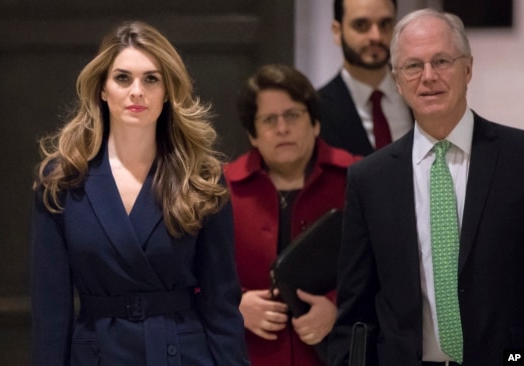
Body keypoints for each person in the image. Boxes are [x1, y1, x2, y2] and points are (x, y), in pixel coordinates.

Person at [30, 21, 250, 366]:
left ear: (167, 91)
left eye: (151, 78)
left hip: (182, 352)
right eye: (122, 78)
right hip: (97, 353)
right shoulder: (62, 180)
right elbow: (50, 309)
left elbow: (221, 303)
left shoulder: (201, 178)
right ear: (102, 89)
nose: (137, 91)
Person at [329, 8, 524, 366]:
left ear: (468, 69)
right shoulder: (369, 180)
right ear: (397, 80)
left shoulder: (518, 159)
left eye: (442, 61)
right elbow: (355, 310)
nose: (428, 77)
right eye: (413, 66)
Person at [224, 64, 361, 365]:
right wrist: (234, 305)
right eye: (269, 120)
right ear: (253, 134)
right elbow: (191, 276)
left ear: (315, 123)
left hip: (335, 354)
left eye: (293, 115)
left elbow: (383, 268)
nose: (282, 128)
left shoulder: (358, 179)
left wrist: (335, 306)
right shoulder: (220, 190)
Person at [319, 0, 412, 156]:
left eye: (385, 24)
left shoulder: (418, 90)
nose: (376, 36)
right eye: (361, 25)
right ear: (337, 31)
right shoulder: (316, 108)